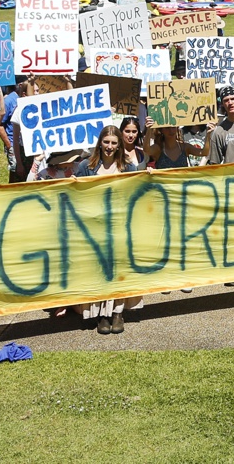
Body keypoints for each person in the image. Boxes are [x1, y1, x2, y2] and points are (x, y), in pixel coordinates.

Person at [75, 127, 144, 331]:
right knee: (99, 271)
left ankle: (117, 313)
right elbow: (76, 193)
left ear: (119, 145)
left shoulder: (129, 167)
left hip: (120, 227)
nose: (110, 147)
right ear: (100, 143)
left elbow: (138, 190)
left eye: (114, 143)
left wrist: (148, 175)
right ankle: (100, 315)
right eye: (106, 142)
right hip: (95, 227)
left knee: (118, 270)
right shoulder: (85, 166)